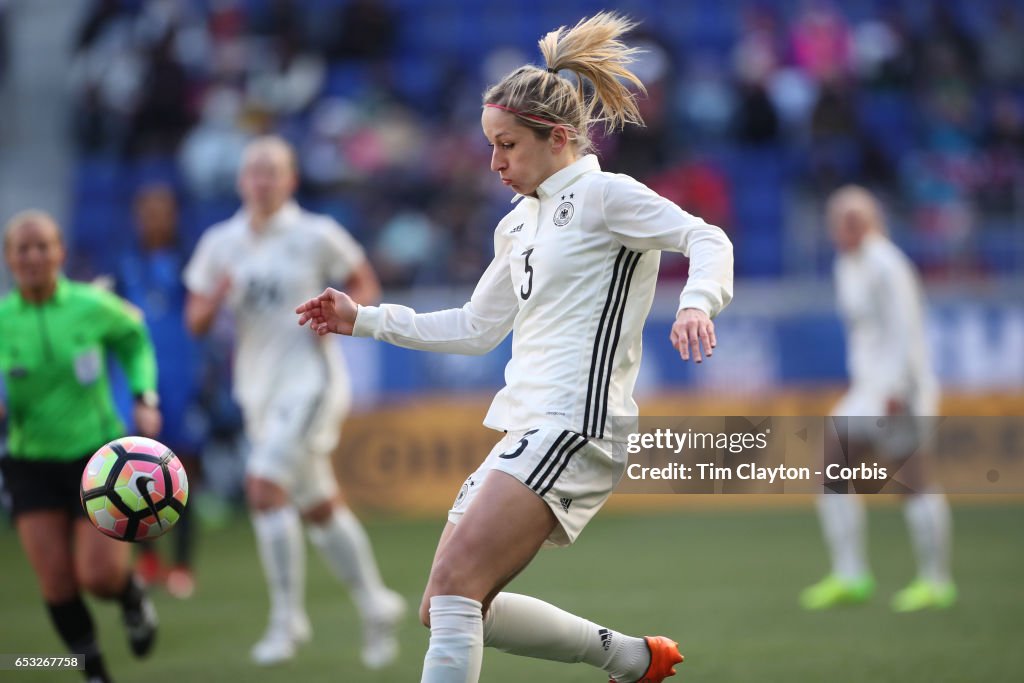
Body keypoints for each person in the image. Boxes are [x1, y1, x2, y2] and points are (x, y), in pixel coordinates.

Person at [296, 13, 734, 683]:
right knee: (447, 604)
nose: (495, 162)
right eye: (490, 146)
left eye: (507, 145)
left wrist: (698, 299)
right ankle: (632, 658)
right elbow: (476, 326)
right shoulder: (518, 221)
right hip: (527, 424)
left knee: (453, 590)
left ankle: (629, 659)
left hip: (575, 423)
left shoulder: (603, 196)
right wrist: (366, 318)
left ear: (556, 138)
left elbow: (707, 237)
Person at [183, 135, 405, 668]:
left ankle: (287, 619)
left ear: (291, 180)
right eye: (254, 171)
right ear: (241, 180)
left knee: (262, 487)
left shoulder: (315, 233)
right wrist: (216, 296)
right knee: (320, 506)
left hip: (310, 383)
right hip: (258, 388)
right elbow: (195, 321)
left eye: (272, 171)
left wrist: (344, 320)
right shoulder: (220, 242)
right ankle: (375, 605)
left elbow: (362, 278)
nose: (262, 180)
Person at [0, 210, 160, 683]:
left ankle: (130, 596)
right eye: (21, 249)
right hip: (29, 462)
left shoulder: (93, 304)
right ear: (9, 259)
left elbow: (135, 340)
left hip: (99, 458)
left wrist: (143, 395)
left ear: (60, 253)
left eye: (42, 246)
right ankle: (94, 672)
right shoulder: (3, 320)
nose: (32, 257)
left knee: (98, 577)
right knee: (56, 582)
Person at [799, 185, 956, 612]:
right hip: (867, 389)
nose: (847, 228)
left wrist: (898, 389)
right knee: (832, 470)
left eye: (855, 219)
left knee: (914, 482)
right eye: (841, 220)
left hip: (897, 391)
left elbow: (909, 329)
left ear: (871, 221)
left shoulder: (887, 264)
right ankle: (850, 574)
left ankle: (935, 581)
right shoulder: (846, 264)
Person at [117, 183, 204, 599]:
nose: (154, 219)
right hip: (139, 384)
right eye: (146, 211)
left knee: (181, 475)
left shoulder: (189, 263)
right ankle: (148, 561)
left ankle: (183, 565)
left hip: (181, 381)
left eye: (161, 210)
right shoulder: (123, 266)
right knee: (137, 474)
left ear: (172, 216)